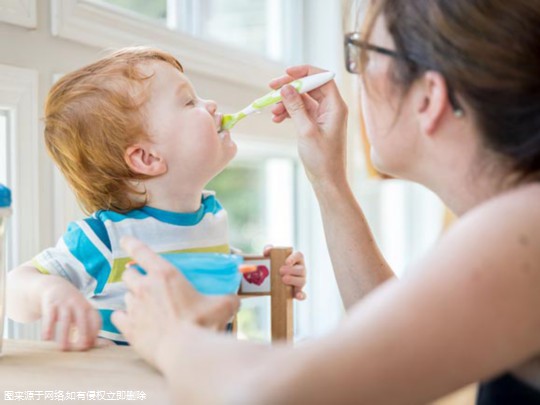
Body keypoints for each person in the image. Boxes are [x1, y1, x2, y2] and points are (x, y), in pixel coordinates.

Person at [110, 0, 540, 404]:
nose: (355, 76)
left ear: (428, 98)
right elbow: (386, 340)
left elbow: (268, 393)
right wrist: (327, 176)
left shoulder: (527, 230)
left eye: (365, 55)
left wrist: (170, 337)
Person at [6, 47, 306, 351]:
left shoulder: (211, 216)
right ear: (147, 157)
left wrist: (273, 276)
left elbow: (213, 281)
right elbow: (13, 291)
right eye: (189, 101)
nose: (211, 104)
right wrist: (50, 291)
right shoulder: (106, 238)